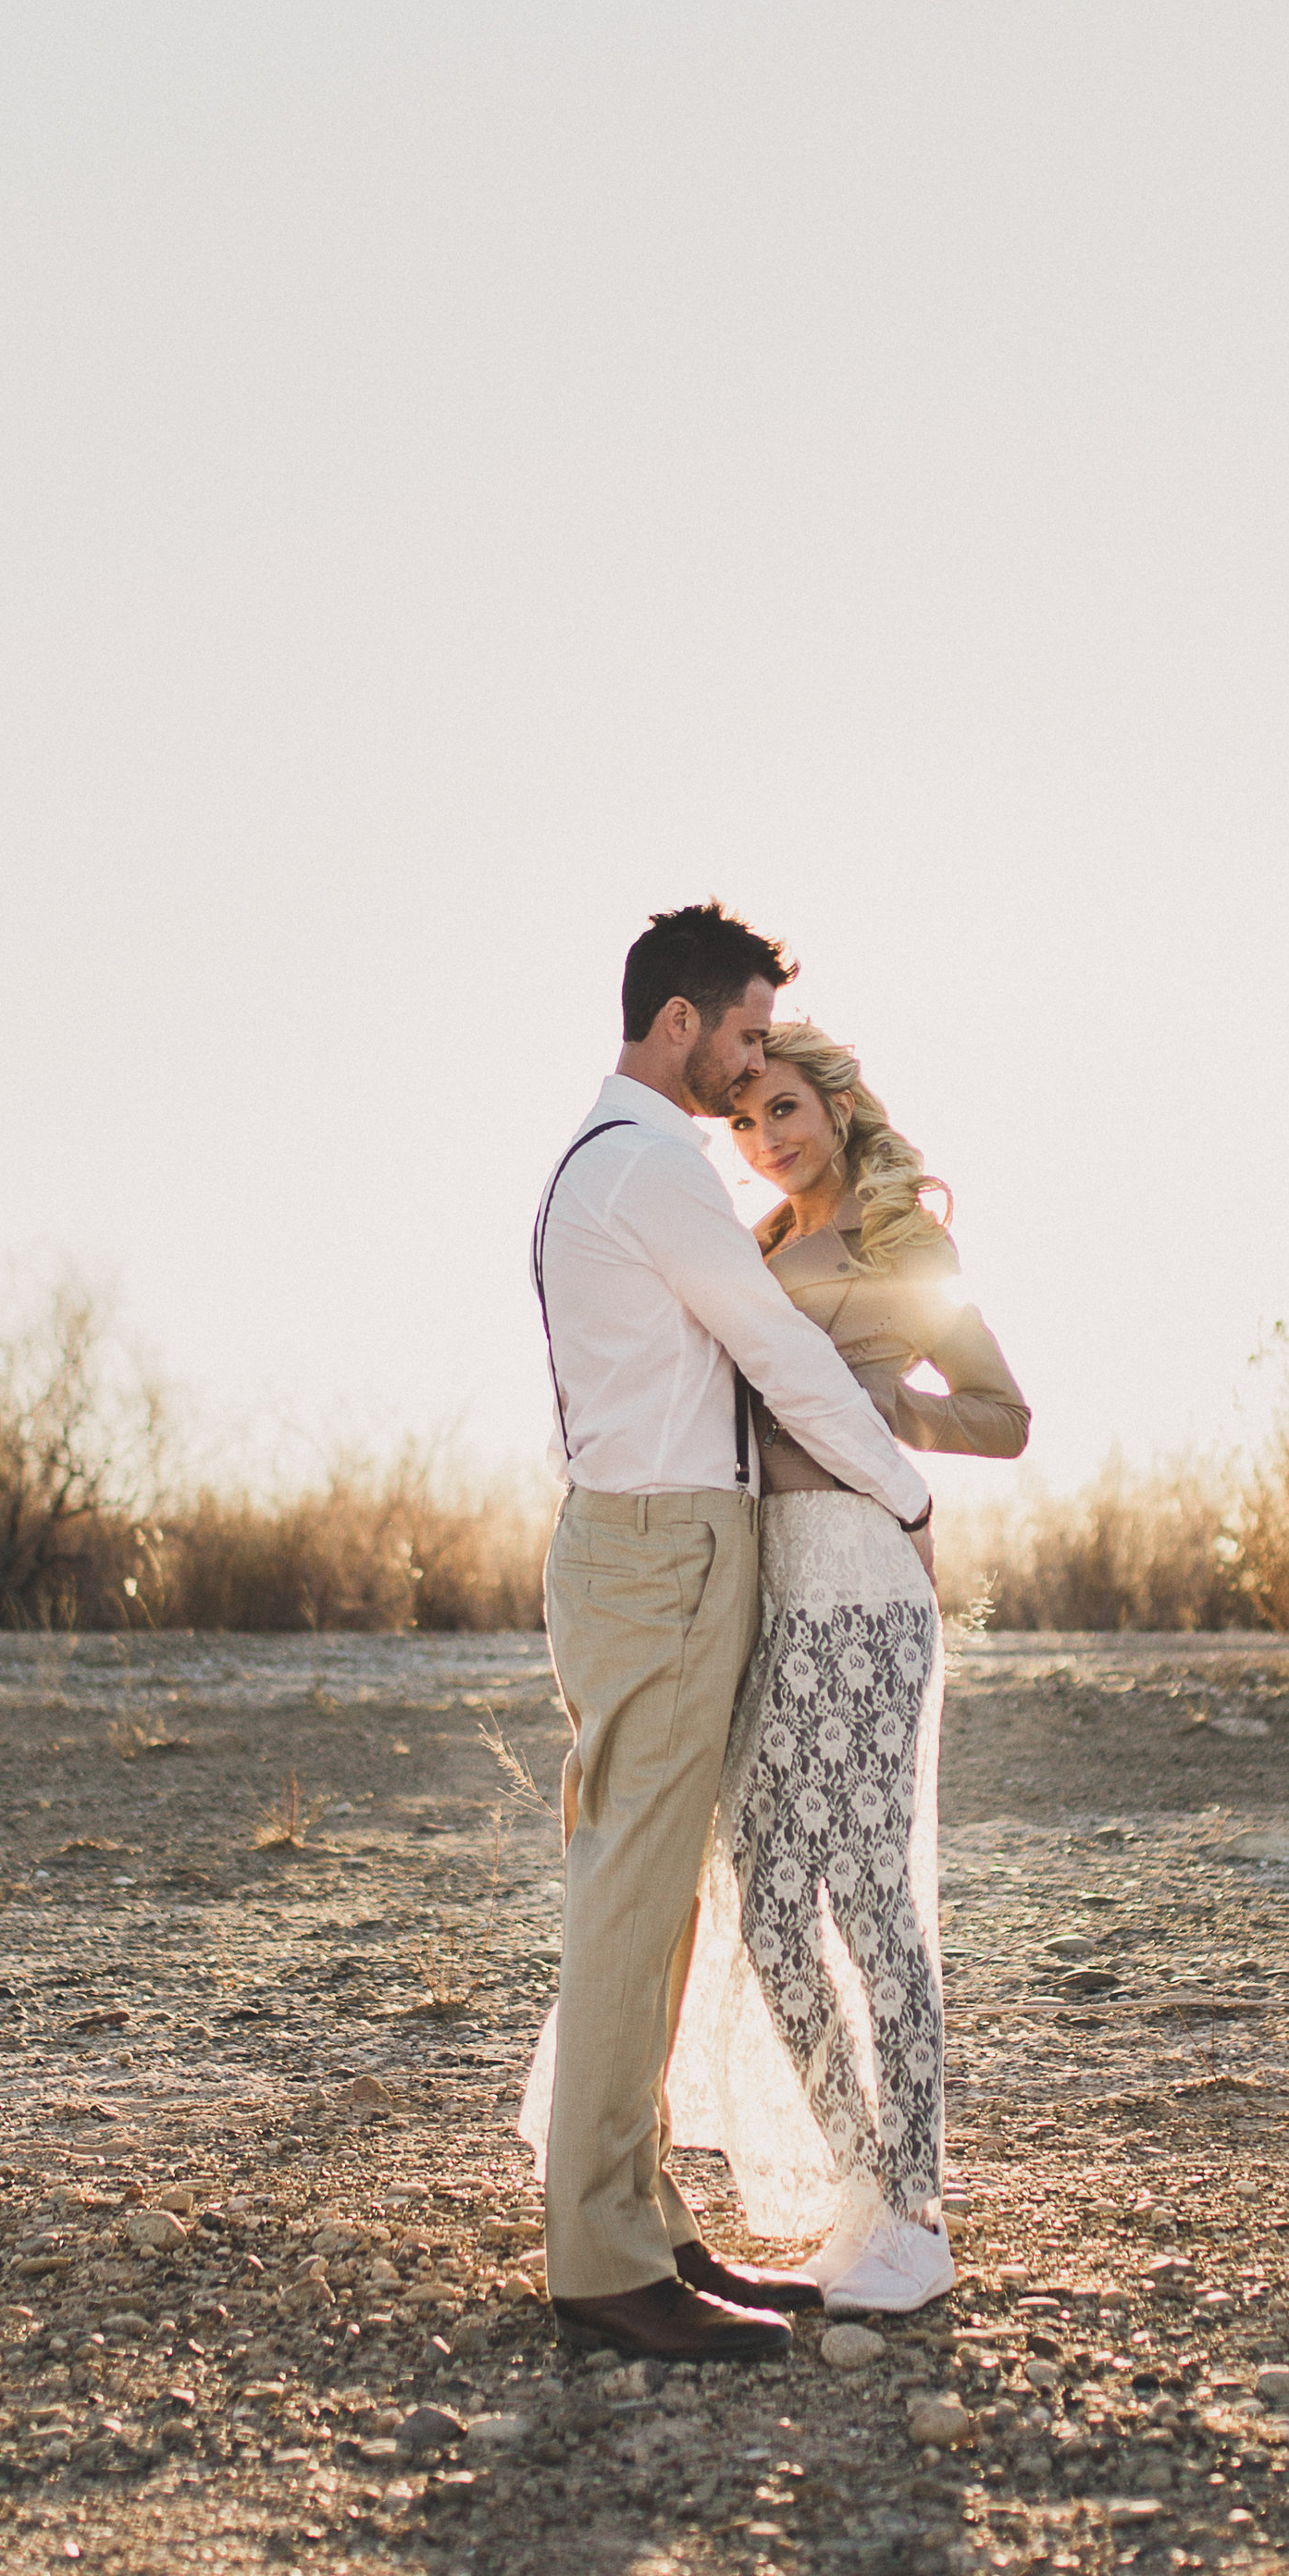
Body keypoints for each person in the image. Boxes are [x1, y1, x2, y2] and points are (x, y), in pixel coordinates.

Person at [523, 904, 939, 2369]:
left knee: (659, 1893)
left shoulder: (606, 1158)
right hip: (665, 1548)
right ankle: (603, 2260)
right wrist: (903, 1488)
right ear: (681, 1022)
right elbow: (779, 1345)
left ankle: (636, 2218)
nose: (756, 1062)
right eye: (747, 1035)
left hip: (638, 1543)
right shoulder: (651, 1167)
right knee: (638, 1895)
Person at [667, 1022, 1029, 2315]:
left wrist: (884, 1405)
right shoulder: (754, 1248)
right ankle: (861, 2181)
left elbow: (1006, 1415)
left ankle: (920, 2216)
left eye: (782, 1109)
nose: (768, 1140)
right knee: (765, 1906)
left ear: (833, 1101)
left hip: (870, 1589)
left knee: (874, 1901)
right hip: (773, 1591)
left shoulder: (898, 1242)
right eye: (747, 1124)